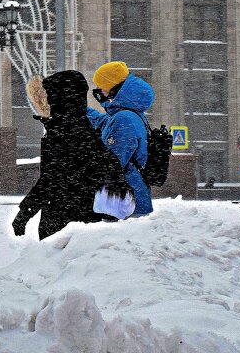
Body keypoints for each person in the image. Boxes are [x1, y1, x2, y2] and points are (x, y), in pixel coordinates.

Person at [12, 70, 132, 240]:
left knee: (60, 264)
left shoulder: (65, 131)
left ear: (60, 97)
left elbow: (51, 179)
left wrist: (25, 213)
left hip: (66, 223)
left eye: (52, 94)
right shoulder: (82, 127)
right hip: (83, 219)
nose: (49, 100)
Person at [87, 61, 155, 217]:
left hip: (123, 203)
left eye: (102, 86)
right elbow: (100, 122)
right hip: (127, 198)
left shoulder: (124, 119)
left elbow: (112, 162)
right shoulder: (126, 115)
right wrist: (74, 109)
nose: (98, 91)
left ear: (113, 89)